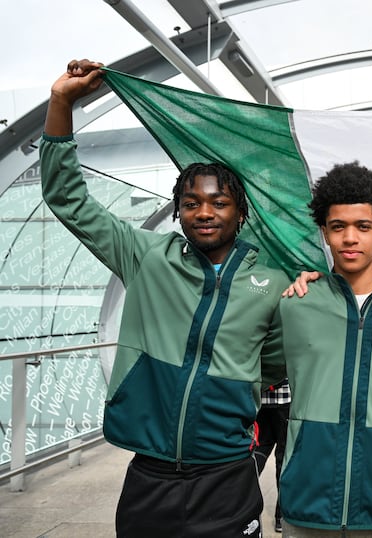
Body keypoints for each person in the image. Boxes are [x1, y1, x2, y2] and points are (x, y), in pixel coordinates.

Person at [40, 60, 289, 537]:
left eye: (219, 202)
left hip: (229, 475)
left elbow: (275, 360)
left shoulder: (270, 281)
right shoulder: (146, 256)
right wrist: (61, 101)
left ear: (241, 214)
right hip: (149, 475)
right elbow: (68, 198)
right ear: (178, 211)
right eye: (192, 202)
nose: (205, 212)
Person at [263, 162, 372, 537]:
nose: (350, 238)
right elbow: (256, 371)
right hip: (309, 504)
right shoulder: (296, 304)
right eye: (338, 227)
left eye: (363, 227)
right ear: (324, 233)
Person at [254, 378, 291, 532]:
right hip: (283, 401)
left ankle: (242, 505)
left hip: (261, 401)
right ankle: (280, 516)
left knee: (258, 453)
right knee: (283, 459)